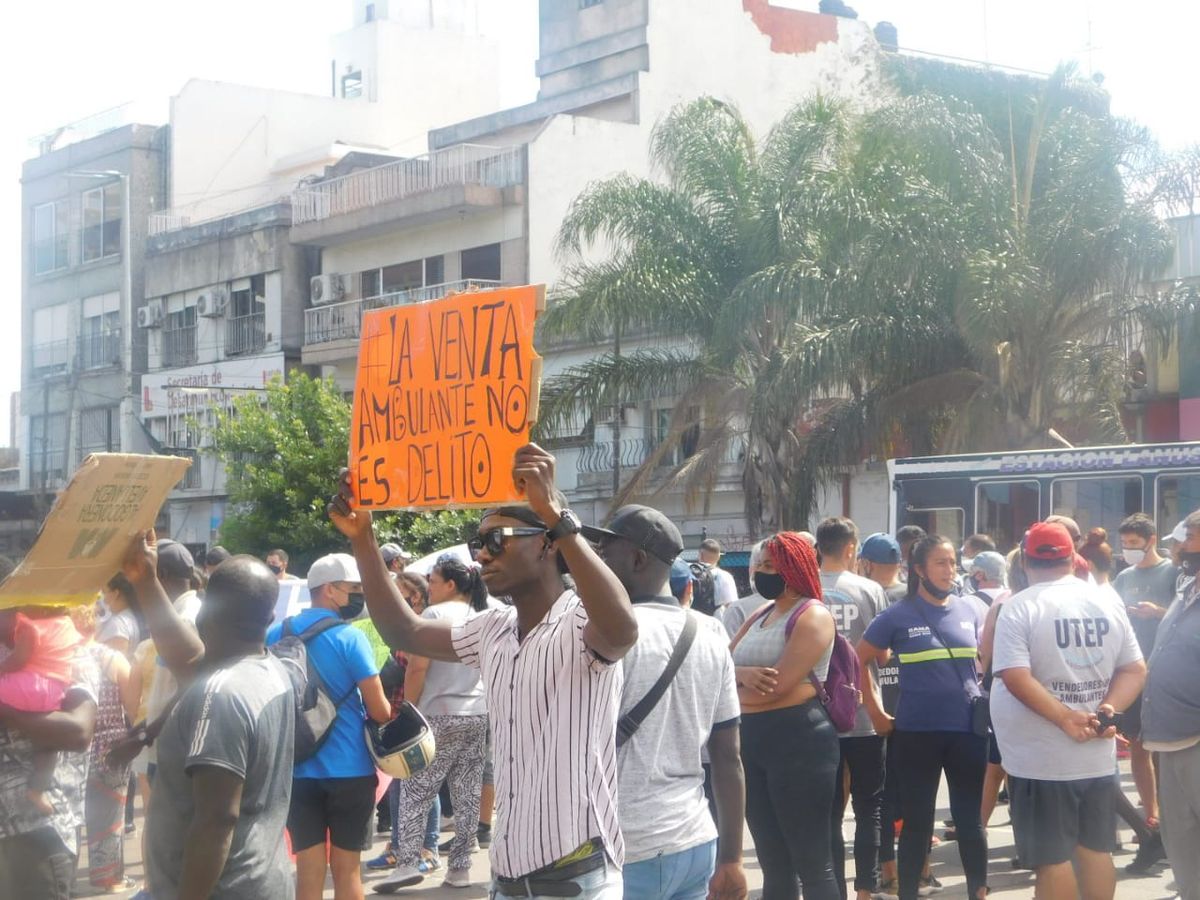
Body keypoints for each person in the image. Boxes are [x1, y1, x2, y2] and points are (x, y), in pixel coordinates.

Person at [330, 442, 638, 899]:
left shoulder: (582, 623)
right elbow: (404, 630)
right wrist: (363, 538)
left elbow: (622, 629)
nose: (481, 557)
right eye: (479, 544)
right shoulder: (492, 628)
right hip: (507, 879)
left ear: (547, 542)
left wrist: (556, 515)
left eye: (497, 541)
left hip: (578, 878)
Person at [119, 534, 298, 900]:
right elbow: (190, 660)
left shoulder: (220, 695)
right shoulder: (269, 670)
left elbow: (217, 821)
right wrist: (146, 581)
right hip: (263, 881)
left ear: (206, 612)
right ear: (268, 618)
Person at [587, 504, 746, 900]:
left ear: (638, 559)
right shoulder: (711, 633)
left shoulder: (605, 637)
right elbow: (727, 757)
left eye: (605, 552)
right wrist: (732, 859)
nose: (596, 562)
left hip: (625, 847)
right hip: (694, 841)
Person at [990, 521, 1146, 900]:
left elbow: (1014, 675)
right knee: (1095, 850)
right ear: (1072, 558)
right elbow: (1135, 668)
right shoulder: (1105, 601)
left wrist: (1064, 718)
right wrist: (1109, 709)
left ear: (1025, 560)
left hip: (1041, 760)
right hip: (1095, 755)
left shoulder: (1020, 606)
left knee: (1052, 860)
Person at [859, 535, 989, 900]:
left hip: (967, 731)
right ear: (919, 570)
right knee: (917, 823)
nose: (950, 570)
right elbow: (858, 658)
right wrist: (875, 711)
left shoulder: (967, 610)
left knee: (970, 820)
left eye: (953, 562)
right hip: (916, 733)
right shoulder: (896, 615)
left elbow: (981, 662)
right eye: (941, 563)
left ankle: (978, 893)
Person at [265, 553, 391, 900]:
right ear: (329, 590)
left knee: (308, 869)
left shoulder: (276, 633)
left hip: (295, 769)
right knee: (347, 870)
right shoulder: (351, 638)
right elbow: (380, 710)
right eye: (353, 588)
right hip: (350, 770)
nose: (359, 595)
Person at [729, 531, 840, 899]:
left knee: (813, 864)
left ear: (794, 568)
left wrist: (734, 689)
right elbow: (720, 667)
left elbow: (777, 685)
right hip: (753, 741)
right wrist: (744, 675)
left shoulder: (813, 615)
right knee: (772, 861)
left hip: (799, 741)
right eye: (759, 565)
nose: (761, 572)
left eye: (770, 566)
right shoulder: (760, 613)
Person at [375, 555, 491, 892]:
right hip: (476, 712)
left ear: (451, 584)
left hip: (436, 713)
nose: (430, 588)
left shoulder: (434, 615)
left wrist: (408, 711)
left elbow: (417, 667)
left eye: (434, 582)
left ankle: (408, 862)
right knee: (466, 793)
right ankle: (460, 868)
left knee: (416, 789)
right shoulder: (484, 614)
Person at [815, 517, 888, 900]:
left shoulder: (805, 590)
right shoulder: (870, 590)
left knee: (828, 811)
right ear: (850, 548)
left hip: (818, 715)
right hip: (863, 714)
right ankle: (866, 891)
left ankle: (835, 891)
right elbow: (883, 654)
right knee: (868, 807)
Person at [1140, 511, 1200, 898]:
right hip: (1170, 739)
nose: (1179, 549)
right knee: (1182, 844)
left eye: (1189, 539)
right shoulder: (1186, 589)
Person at [1113, 512, 1175, 872]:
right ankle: (1151, 817)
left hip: (1165, 673)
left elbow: (1186, 615)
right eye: (1124, 544)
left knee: (1164, 750)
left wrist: (1158, 612)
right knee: (1138, 746)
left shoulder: (1171, 572)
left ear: (1151, 541)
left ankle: (1170, 818)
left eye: (1133, 544)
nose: (1128, 550)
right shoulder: (1124, 577)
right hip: (1134, 674)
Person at [70, 602, 134, 892]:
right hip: (110, 748)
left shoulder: (61, 658)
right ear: (94, 621)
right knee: (108, 816)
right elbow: (132, 706)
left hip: (71, 747)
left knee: (71, 816)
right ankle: (107, 879)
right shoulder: (112, 658)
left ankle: (66, 879)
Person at [0, 605, 83, 815]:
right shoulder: (67, 625)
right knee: (49, 745)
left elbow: (18, 660)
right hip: (51, 692)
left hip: (21, 687)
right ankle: (37, 790)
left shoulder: (29, 626)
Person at [97, 574, 140, 657]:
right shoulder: (129, 617)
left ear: (115, 594)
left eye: (104, 592)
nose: (103, 598)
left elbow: (111, 662)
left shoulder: (117, 625)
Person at [699, 538, 739, 612]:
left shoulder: (691, 574)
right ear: (719, 557)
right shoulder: (725, 576)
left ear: (700, 555)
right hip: (718, 617)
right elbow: (732, 605)